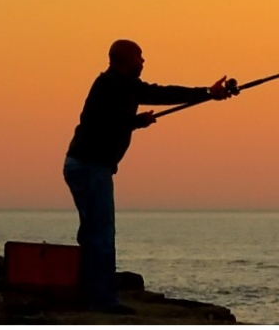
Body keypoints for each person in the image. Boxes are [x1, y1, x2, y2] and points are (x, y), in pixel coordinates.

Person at [63, 39, 237, 314]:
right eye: (139, 57)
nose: (143, 62)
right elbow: (100, 122)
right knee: (101, 233)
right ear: (122, 60)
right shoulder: (106, 85)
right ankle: (103, 301)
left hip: (87, 166)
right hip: (89, 166)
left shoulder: (126, 86)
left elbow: (164, 93)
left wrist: (208, 93)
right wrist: (136, 122)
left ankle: (90, 292)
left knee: (93, 232)